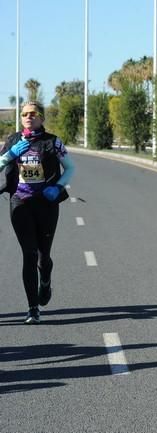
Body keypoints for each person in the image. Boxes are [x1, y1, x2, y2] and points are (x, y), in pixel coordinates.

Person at [0, 100, 75, 324]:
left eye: (33, 113)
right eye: (24, 114)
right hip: (20, 202)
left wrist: (58, 186)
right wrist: (10, 154)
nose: (28, 117)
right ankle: (33, 308)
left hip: (46, 204)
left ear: (41, 117)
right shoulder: (13, 140)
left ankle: (45, 280)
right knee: (29, 254)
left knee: (43, 256)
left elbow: (71, 167)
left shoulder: (52, 142)